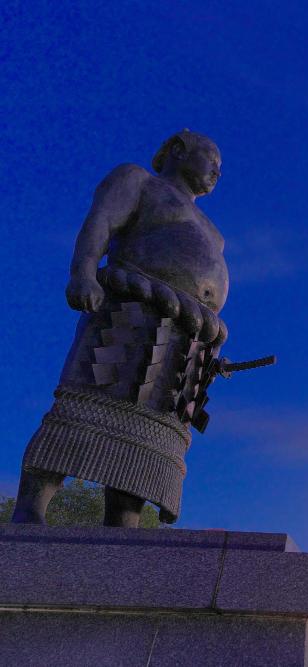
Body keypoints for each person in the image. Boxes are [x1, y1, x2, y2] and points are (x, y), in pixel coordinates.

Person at [12, 130, 229, 527]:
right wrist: (82, 273)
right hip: (130, 312)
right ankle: (30, 510)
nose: (216, 171)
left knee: (148, 445)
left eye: (220, 167)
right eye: (211, 159)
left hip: (186, 342)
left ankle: (124, 527)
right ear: (179, 151)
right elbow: (102, 222)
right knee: (86, 408)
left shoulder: (214, 233)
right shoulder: (138, 181)